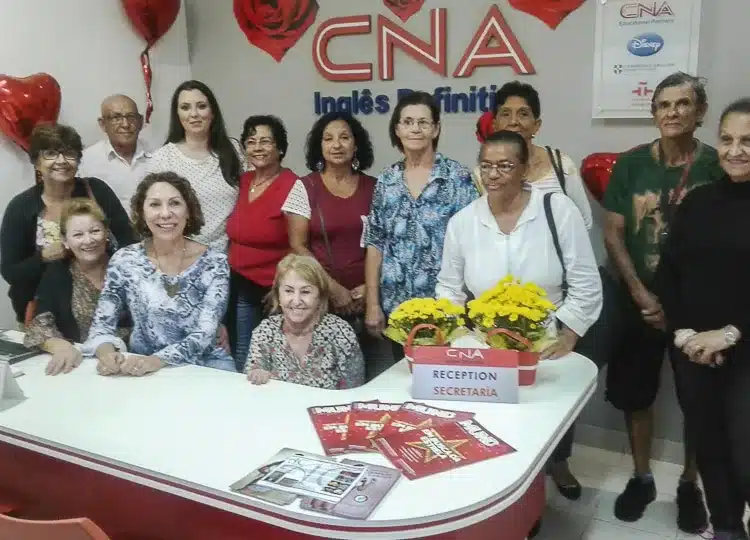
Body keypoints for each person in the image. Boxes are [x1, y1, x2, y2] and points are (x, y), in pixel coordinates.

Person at [436, 130, 602, 500]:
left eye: (505, 166)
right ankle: (505, 497)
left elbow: (586, 280)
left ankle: (556, 467)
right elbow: (448, 287)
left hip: (546, 340)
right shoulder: (463, 221)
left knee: (545, 425)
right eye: (486, 166)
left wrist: (570, 332)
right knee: (497, 434)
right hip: (486, 345)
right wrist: (458, 336)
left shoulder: (557, 210)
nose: (493, 174)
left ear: (524, 169)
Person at [602, 72, 724, 531]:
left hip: (698, 306)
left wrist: (683, 302)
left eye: (683, 103)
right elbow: (613, 232)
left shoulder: (715, 165)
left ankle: (690, 484)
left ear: (700, 112)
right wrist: (639, 292)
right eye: (664, 105)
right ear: (653, 113)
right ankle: (642, 477)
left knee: (699, 400)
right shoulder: (631, 164)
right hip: (639, 300)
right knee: (636, 394)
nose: (673, 112)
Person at [654, 98, 750, 540]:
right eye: (727, 139)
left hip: (744, 352)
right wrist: (685, 333)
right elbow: (669, 274)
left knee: (745, 455)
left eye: (747, 141)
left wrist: (728, 334)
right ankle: (727, 528)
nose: (735, 150)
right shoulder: (698, 202)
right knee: (710, 448)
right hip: (694, 352)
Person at [365, 91, 479, 370]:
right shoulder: (386, 180)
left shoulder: (457, 178)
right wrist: (372, 303)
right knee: (406, 380)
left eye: (423, 122)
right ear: (397, 129)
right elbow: (375, 243)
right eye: (407, 122)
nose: (415, 129)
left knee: (445, 382)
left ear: (436, 129)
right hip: (398, 311)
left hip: (446, 309)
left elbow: (475, 242)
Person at [82, 172, 235, 375]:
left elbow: (205, 333)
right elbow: (102, 323)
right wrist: (106, 352)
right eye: (155, 204)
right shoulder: (125, 260)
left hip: (205, 366)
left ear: (189, 211)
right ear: (141, 212)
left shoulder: (215, 262)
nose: (165, 213)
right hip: (142, 367)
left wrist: (158, 360)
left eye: (175, 203)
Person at [0, 123, 136, 326]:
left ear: (78, 160)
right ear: (36, 162)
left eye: (69, 153)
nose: (61, 160)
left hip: (106, 309)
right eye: (51, 153)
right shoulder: (21, 207)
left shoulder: (96, 190)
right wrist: (43, 257)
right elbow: (11, 272)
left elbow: (129, 244)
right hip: (43, 316)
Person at [284, 111, 379, 378]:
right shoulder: (304, 187)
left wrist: (370, 289)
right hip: (320, 302)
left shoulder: (376, 187)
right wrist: (333, 289)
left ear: (356, 144)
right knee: (326, 378)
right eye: (328, 138)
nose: (337, 145)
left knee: (374, 379)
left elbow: (386, 243)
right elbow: (298, 246)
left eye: (344, 137)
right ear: (320, 146)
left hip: (369, 302)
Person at [23, 199, 130, 375]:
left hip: (127, 362)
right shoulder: (58, 272)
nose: (88, 240)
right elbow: (39, 324)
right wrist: (63, 347)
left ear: (106, 232)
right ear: (65, 241)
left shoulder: (126, 266)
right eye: (78, 235)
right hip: (79, 366)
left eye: (95, 231)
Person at [226, 115, 300, 371]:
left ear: (280, 148)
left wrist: (280, 288)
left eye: (266, 141)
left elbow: (299, 244)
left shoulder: (292, 185)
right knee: (244, 352)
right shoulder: (242, 181)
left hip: (276, 291)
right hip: (240, 285)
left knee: (278, 357)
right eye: (251, 141)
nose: (257, 147)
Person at [472, 82, 593, 229]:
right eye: (505, 114)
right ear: (495, 124)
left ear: (536, 125)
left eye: (523, 114)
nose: (513, 122)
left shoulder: (562, 166)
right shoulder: (482, 174)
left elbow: (584, 222)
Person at [148, 80, 244, 250]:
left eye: (201, 106)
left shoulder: (234, 150)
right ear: (177, 115)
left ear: (212, 112)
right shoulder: (162, 158)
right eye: (185, 108)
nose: (194, 114)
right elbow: (152, 214)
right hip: (181, 254)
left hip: (230, 254)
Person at [246, 254, 365, 389]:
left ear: (320, 297)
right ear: (278, 296)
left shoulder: (340, 332)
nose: (296, 301)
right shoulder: (265, 331)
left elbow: (354, 391)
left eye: (305, 292)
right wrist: (257, 375)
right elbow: (251, 382)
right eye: (289, 291)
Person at [78, 94, 153, 212]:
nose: (125, 124)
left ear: (140, 121)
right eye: (116, 118)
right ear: (103, 124)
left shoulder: (158, 156)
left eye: (131, 117)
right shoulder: (86, 161)